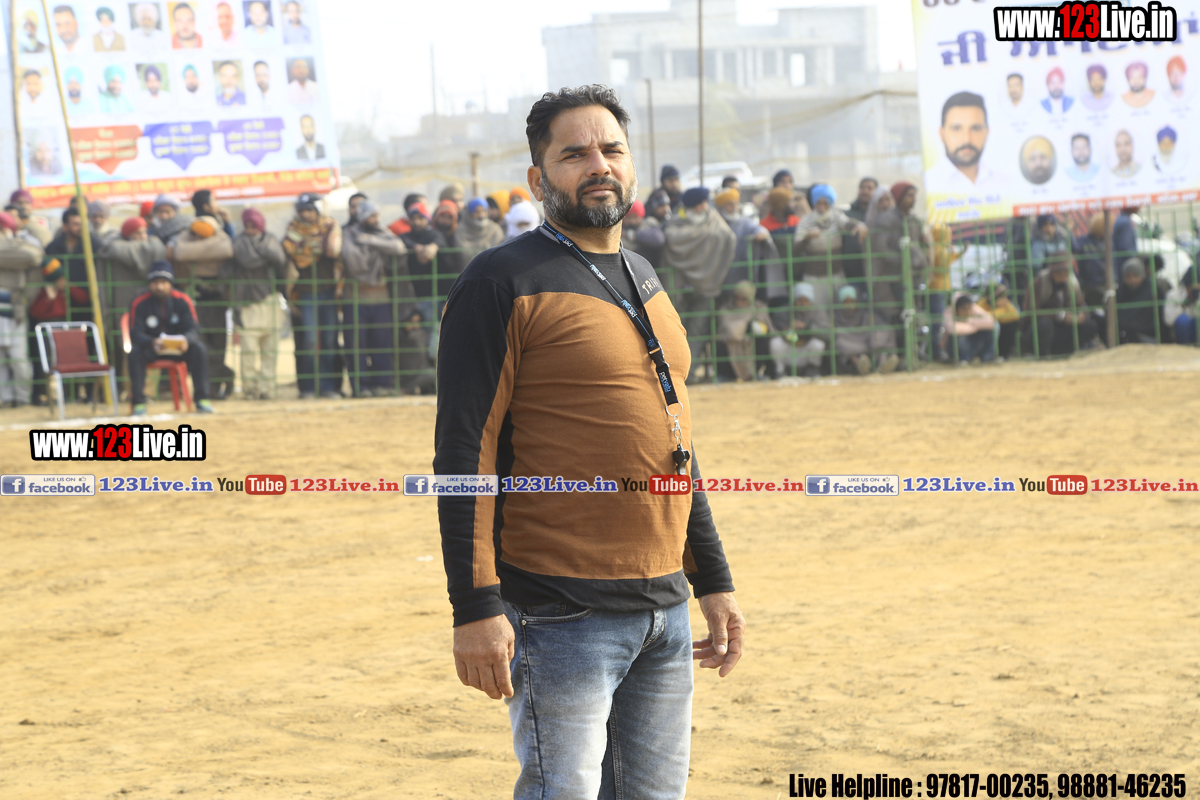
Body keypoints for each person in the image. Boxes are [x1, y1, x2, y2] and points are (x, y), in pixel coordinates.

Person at [435, 85, 743, 800]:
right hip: (559, 610)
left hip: (663, 609)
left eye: (612, 150)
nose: (598, 165)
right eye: (574, 154)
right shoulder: (499, 282)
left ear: (631, 167)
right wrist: (474, 605)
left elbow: (674, 442)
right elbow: (464, 453)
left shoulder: (644, 276)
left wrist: (713, 580)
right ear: (538, 178)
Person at [664, 186, 738, 371]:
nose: (705, 206)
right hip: (678, 286)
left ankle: (690, 372)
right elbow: (671, 237)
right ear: (695, 206)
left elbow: (727, 237)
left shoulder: (713, 219)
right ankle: (676, 371)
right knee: (676, 329)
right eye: (702, 203)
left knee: (698, 330)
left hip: (706, 284)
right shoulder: (676, 222)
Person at [127, 261, 215, 414]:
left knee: (199, 349)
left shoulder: (183, 300)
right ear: (150, 284)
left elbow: (193, 328)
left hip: (178, 348)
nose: (159, 287)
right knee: (134, 353)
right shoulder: (139, 302)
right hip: (153, 348)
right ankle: (139, 403)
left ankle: (202, 399)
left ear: (171, 283)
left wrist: (186, 340)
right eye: (155, 283)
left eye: (163, 282)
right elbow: (135, 333)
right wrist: (152, 342)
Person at [339, 200, 407, 397]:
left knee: (382, 342)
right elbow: (352, 259)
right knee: (356, 344)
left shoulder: (381, 233)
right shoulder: (349, 234)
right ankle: (361, 387)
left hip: (381, 297)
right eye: (371, 216)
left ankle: (382, 384)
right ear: (362, 217)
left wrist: (370, 241)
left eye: (377, 216)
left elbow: (398, 247)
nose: (375, 219)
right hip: (355, 298)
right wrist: (378, 247)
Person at [168, 215, 235, 398]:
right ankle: (222, 376)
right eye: (195, 235)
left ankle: (215, 386)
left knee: (218, 344)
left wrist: (195, 252)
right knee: (201, 344)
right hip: (194, 301)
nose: (197, 239)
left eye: (203, 236)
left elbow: (226, 249)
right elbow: (180, 253)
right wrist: (207, 249)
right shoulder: (184, 238)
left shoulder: (222, 239)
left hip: (218, 301)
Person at [282, 193, 342, 398]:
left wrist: (310, 245)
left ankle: (328, 387)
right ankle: (307, 387)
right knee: (309, 341)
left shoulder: (330, 227)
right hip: (306, 293)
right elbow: (291, 249)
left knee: (329, 340)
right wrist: (316, 245)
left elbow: (333, 249)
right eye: (302, 211)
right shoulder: (292, 230)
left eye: (309, 210)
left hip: (329, 292)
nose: (305, 214)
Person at [100, 215, 165, 383]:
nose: (143, 236)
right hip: (125, 305)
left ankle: (145, 386)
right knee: (123, 344)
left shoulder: (115, 249)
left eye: (144, 232)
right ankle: (125, 385)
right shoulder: (154, 248)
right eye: (137, 233)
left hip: (140, 305)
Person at [230, 208, 287, 399]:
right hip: (247, 302)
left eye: (254, 226)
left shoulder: (271, 241)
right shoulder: (238, 244)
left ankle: (267, 389)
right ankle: (250, 389)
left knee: (270, 350)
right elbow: (242, 262)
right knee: (248, 350)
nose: (250, 230)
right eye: (247, 226)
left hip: (270, 300)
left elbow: (281, 262)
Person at [0, 213, 44, 406]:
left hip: (15, 309)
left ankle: (22, 398)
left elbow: (32, 256)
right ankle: (5, 398)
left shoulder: (23, 245)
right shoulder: (17, 248)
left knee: (18, 358)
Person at [1028, 253, 1097, 356]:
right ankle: (1042, 356)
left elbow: (1081, 306)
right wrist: (1058, 316)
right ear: (1051, 272)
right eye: (1058, 273)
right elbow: (1030, 313)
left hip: (1062, 330)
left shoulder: (1072, 283)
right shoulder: (1039, 282)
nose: (1062, 276)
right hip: (1039, 332)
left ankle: (1064, 353)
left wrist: (1081, 316)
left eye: (1065, 272)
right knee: (1045, 325)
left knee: (1090, 325)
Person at [793, 184, 868, 273]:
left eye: (825, 203)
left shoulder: (836, 216)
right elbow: (796, 248)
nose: (822, 206)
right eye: (819, 203)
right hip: (813, 274)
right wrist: (807, 238)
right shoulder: (805, 221)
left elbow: (846, 223)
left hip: (836, 274)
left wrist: (858, 224)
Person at [930, 91, 997, 191]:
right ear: (941, 133)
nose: (966, 139)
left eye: (975, 128)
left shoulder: (1007, 183)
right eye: (956, 129)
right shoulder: (930, 182)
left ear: (987, 132)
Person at [833, 285, 898, 375]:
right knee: (841, 344)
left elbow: (883, 327)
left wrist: (876, 339)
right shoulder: (836, 317)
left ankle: (883, 363)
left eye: (852, 301)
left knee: (880, 337)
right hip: (851, 346)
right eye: (845, 302)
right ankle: (859, 365)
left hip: (867, 344)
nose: (849, 305)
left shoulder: (865, 315)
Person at [716, 280, 773, 381]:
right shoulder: (726, 309)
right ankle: (725, 376)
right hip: (730, 343)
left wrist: (747, 329)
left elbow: (766, 328)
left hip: (750, 343)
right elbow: (727, 330)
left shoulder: (758, 307)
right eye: (737, 298)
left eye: (744, 299)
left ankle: (755, 373)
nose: (739, 302)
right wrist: (740, 329)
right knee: (719, 341)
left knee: (763, 337)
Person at [769, 281, 827, 377]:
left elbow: (827, 334)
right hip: (789, 349)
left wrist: (807, 328)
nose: (803, 304)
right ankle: (780, 371)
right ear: (794, 301)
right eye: (800, 300)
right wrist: (789, 328)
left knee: (818, 344)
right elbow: (774, 332)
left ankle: (812, 370)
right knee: (775, 343)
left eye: (806, 300)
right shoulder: (783, 311)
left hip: (806, 351)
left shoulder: (818, 311)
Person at [45, 205, 99, 309]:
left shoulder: (94, 245)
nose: (80, 228)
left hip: (89, 301)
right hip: (61, 302)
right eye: (75, 224)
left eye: (82, 224)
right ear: (65, 226)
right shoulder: (53, 247)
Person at [942, 292, 995, 365]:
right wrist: (974, 326)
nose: (967, 312)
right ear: (956, 308)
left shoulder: (974, 308)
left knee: (990, 330)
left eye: (969, 308)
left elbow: (991, 322)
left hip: (970, 345)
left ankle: (987, 357)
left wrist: (969, 322)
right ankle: (962, 359)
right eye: (963, 309)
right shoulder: (949, 311)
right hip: (953, 349)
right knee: (960, 334)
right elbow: (953, 329)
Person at [1115, 257, 1159, 344]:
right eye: (1128, 277)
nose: (1132, 280)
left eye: (1136, 276)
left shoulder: (1151, 290)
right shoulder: (1121, 292)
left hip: (1147, 336)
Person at [1072, 213, 1108, 309]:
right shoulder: (1084, 241)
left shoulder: (1107, 242)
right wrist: (1070, 232)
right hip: (1089, 284)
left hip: (1104, 282)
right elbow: (1074, 248)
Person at [456, 197, 506, 266]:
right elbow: (464, 254)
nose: (481, 215)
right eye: (476, 212)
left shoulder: (495, 229)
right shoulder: (461, 230)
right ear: (469, 213)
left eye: (484, 211)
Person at [976, 284, 1020, 360]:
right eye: (1003, 297)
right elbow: (982, 319)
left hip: (1001, 337)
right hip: (984, 337)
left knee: (1011, 324)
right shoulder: (981, 304)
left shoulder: (1006, 305)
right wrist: (1001, 313)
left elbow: (1015, 315)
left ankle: (1003, 354)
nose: (1006, 300)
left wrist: (997, 315)